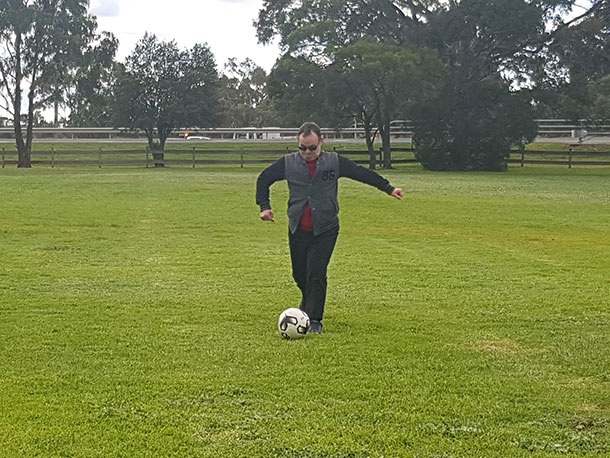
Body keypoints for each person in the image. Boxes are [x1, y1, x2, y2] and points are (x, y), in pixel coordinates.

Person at [256, 122, 403, 334]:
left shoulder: (334, 162)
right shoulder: (288, 163)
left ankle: (314, 320)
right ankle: (307, 306)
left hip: (326, 227)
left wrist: (388, 188)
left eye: (312, 148)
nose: (307, 152)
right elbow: (264, 179)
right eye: (302, 148)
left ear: (321, 142)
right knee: (299, 274)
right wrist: (265, 207)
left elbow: (361, 173)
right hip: (298, 227)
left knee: (316, 272)